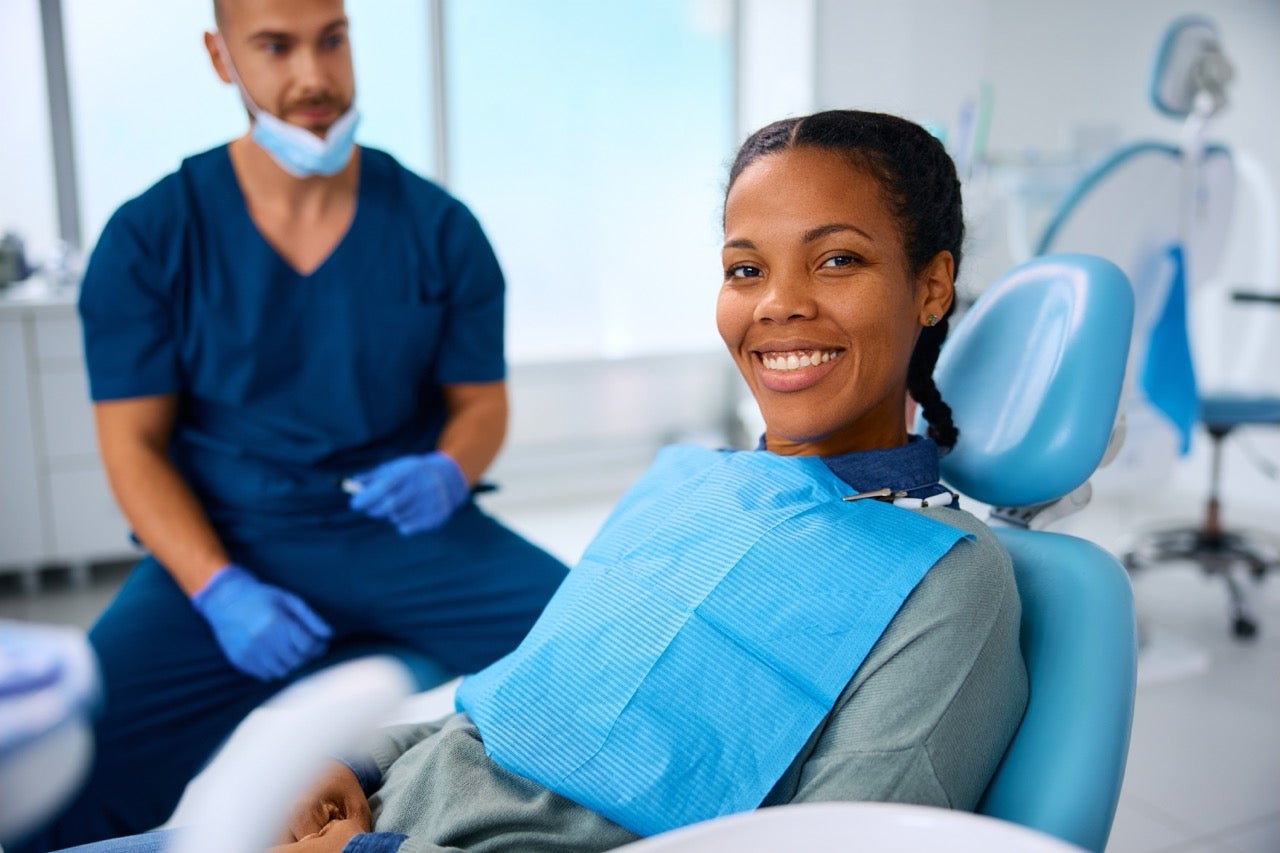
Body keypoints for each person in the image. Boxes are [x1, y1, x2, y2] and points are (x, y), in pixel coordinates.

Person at [54, 109, 1030, 853]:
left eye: (837, 259)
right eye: (743, 268)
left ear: (932, 285)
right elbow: (505, 706)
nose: (777, 304)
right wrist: (349, 765)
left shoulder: (946, 577)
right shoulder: (693, 489)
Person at [17, 1, 570, 850]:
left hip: (409, 536)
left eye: (331, 40)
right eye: (275, 46)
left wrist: (449, 471)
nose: (312, 76)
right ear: (220, 54)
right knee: (69, 758)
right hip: (230, 546)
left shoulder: (437, 227)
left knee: (600, 649)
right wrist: (218, 589)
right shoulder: (155, 236)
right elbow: (131, 445)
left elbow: (480, 405)